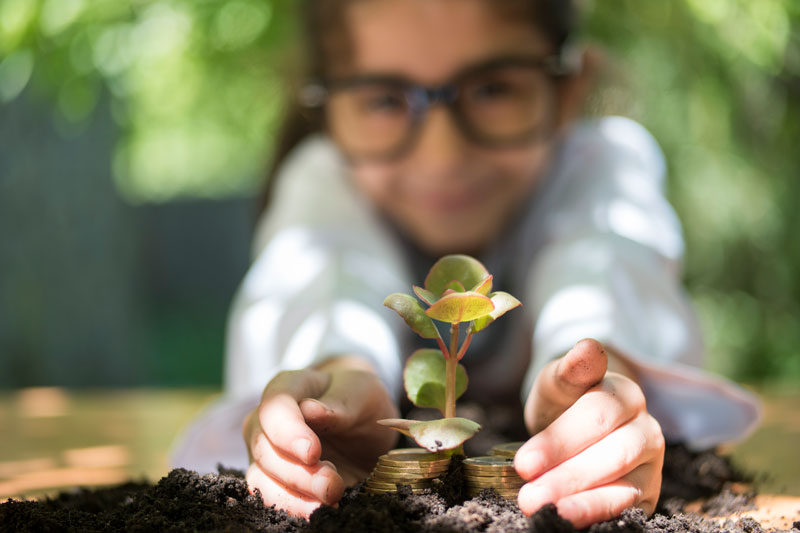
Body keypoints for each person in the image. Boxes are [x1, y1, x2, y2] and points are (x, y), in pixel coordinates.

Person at [171, 0, 762, 528]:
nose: (442, 154)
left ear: (567, 87)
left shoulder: (605, 166)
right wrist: (339, 371)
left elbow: (603, 268)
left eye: (492, 89)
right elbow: (327, 277)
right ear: (327, 107)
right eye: (384, 99)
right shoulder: (323, 181)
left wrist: (593, 383)